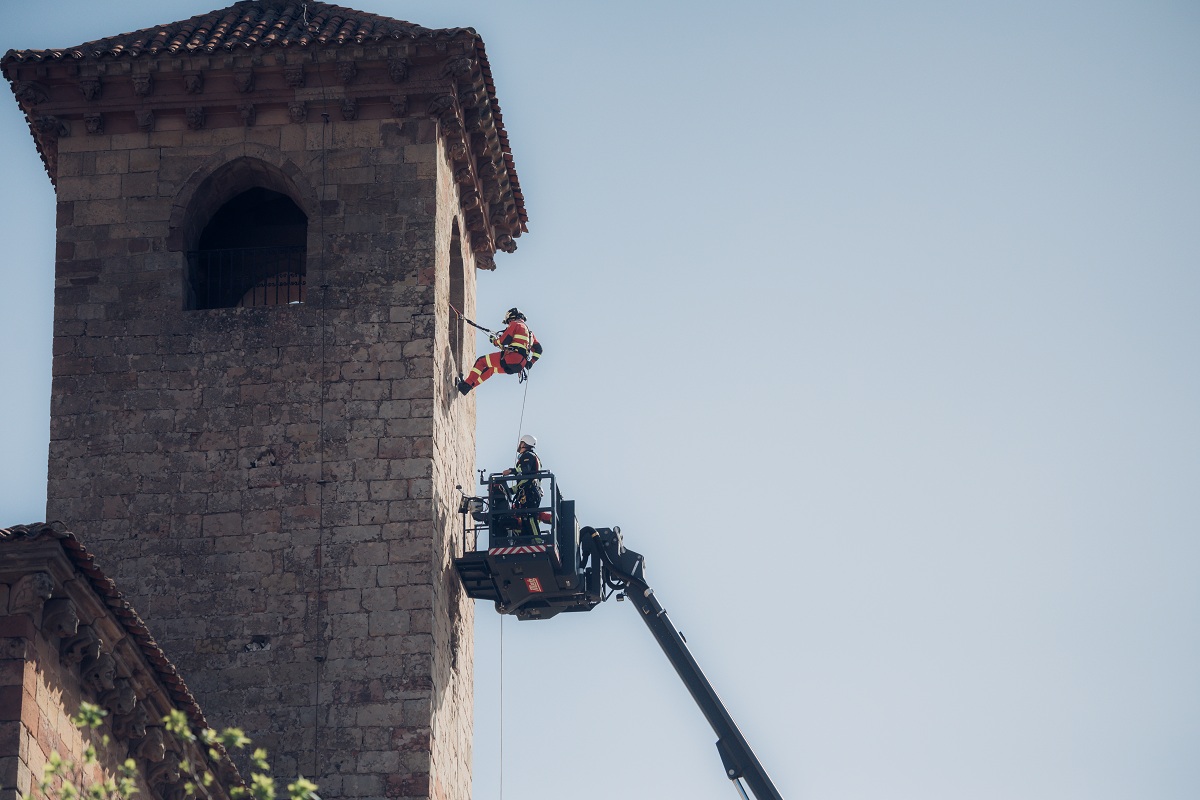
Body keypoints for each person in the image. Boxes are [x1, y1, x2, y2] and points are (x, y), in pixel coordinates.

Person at [457, 308, 542, 395]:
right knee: (491, 369)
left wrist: (494, 341)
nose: (508, 324)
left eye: (508, 322)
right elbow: (539, 349)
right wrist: (531, 362)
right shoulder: (530, 334)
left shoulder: (515, 324)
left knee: (481, 361)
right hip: (519, 366)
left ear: (512, 318)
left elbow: (503, 340)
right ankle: (468, 387)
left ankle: (466, 385)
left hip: (511, 358)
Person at [503, 434, 544, 539]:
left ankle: (537, 540)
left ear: (524, 444)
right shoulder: (532, 457)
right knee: (525, 518)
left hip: (531, 492)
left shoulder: (528, 456)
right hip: (528, 492)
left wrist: (511, 471)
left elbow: (525, 470)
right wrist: (510, 491)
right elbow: (524, 482)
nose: (519, 445)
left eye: (521, 443)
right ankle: (527, 539)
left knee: (530, 517)